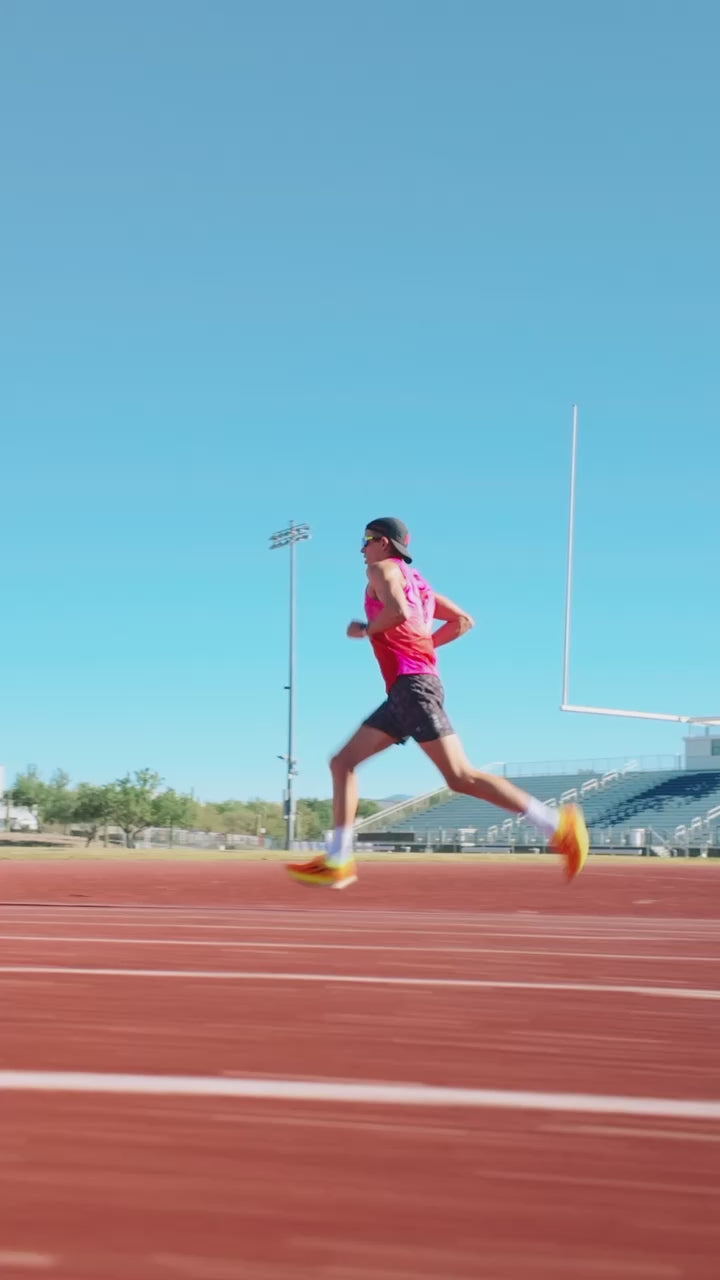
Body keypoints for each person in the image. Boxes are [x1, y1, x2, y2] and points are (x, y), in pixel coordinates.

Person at [287, 517, 588, 888]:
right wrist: (423, 647)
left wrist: (367, 630)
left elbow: (396, 611)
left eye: (365, 540)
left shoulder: (380, 569)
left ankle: (559, 826)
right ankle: (338, 858)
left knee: (460, 776)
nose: (361, 548)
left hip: (413, 687)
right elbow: (463, 621)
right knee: (343, 762)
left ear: (383, 543)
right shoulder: (422, 585)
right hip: (408, 686)